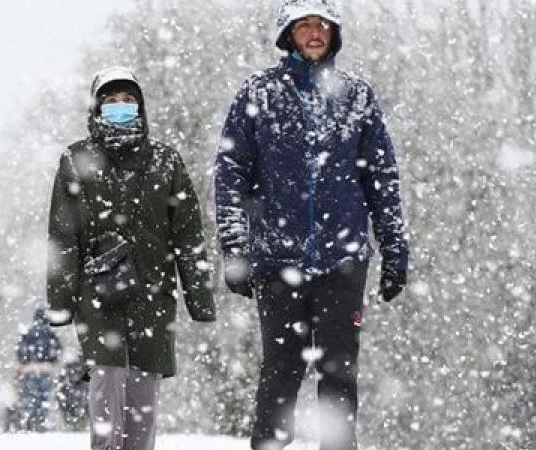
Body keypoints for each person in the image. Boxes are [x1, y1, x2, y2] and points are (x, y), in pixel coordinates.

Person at [214, 1, 410, 449]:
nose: (314, 32)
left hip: (343, 261)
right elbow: (230, 174)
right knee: (280, 372)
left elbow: (382, 178)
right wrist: (235, 247)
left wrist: (395, 247)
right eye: (304, 25)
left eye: (321, 24)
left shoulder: (357, 95)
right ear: (288, 35)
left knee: (339, 373)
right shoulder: (258, 93)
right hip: (276, 260)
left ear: (334, 33)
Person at [46, 66, 216, 450]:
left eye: (128, 100)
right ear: (96, 108)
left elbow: (188, 235)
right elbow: (63, 236)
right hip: (98, 296)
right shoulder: (76, 160)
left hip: (153, 299)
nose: (120, 107)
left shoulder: (165, 161)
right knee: (106, 397)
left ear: (141, 107)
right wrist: (60, 303)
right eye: (110, 101)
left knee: (142, 413)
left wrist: (199, 297)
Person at [16, 307, 63, 432]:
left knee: (31, 397)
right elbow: (58, 350)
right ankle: (40, 422)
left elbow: (20, 351)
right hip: (45, 369)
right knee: (43, 398)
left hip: (29, 369)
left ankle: (29, 422)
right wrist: (51, 361)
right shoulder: (50, 334)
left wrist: (25, 363)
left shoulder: (27, 334)